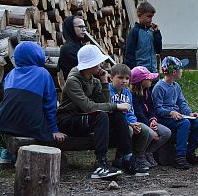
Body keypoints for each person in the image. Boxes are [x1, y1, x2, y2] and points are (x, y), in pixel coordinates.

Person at [57, 45, 146, 178]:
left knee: (115, 114)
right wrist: (116, 106)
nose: (101, 65)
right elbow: (89, 107)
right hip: (69, 120)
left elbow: (105, 103)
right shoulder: (72, 82)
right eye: (98, 62)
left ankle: (127, 158)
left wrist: (104, 82)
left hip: (85, 118)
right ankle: (100, 164)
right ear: (90, 64)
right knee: (101, 115)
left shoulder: (95, 81)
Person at [0, 41, 67, 142]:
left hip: (4, 124)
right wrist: (53, 129)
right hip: (30, 126)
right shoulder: (43, 73)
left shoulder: (11, 74)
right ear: (37, 55)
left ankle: (6, 153)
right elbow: (50, 105)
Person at [152, 56, 198, 169]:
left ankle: (189, 153)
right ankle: (179, 157)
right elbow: (157, 109)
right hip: (164, 118)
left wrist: (190, 113)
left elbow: (182, 103)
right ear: (174, 72)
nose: (182, 71)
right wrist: (170, 113)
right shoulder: (159, 87)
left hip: (177, 116)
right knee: (184, 123)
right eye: (181, 69)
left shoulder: (176, 86)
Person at [109, 63, 151, 174]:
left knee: (144, 129)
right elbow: (110, 112)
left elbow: (130, 110)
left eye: (127, 78)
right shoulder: (107, 91)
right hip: (114, 124)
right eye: (120, 78)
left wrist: (133, 122)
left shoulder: (128, 93)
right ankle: (120, 158)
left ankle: (136, 157)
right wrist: (129, 124)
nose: (124, 81)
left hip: (128, 122)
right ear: (111, 77)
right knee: (129, 130)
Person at [130, 66, 172, 167]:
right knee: (151, 134)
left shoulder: (147, 92)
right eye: (148, 78)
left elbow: (151, 109)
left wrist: (153, 120)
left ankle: (148, 152)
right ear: (140, 81)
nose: (151, 79)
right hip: (138, 122)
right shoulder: (133, 95)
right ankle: (139, 155)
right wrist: (150, 126)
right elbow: (138, 114)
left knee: (166, 133)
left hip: (149, 121)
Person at [124, 1, 162, 73]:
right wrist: (134, 71)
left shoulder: (152, 31)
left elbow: (158, 50)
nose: (151, 19)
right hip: (140, 73)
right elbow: (129, 55)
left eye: (152, 17)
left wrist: (157, 33)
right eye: (148, 16)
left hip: (153, 71)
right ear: (139, 15)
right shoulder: (135, 32)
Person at [58, 15, 87, 80]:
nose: (84, 29)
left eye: (84, 27)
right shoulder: (67, 49)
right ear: (71, 28)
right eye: (80, 27)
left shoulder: (82, 47)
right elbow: (85, 70)